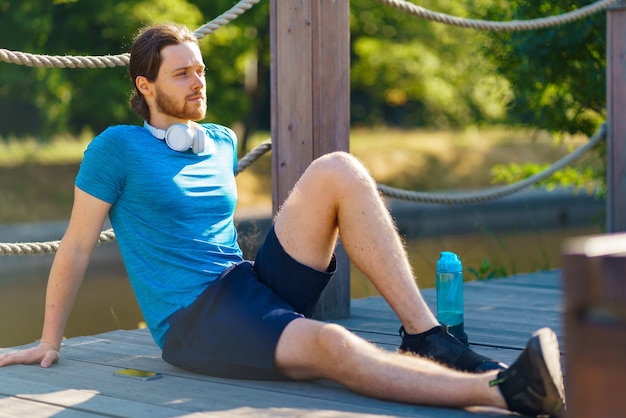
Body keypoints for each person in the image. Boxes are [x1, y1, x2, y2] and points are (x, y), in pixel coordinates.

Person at [0, 23, 565, 417]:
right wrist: (48, 341)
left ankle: (426, 337)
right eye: (181, 75)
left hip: (245, 285)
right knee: (334, 347)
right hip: (194, 321)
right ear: (144, 86)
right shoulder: (114, 150)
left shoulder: (218, 141)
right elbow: (75, 247)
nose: (199, 82)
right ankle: (505, 394)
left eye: (201, 70)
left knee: (337, 168)